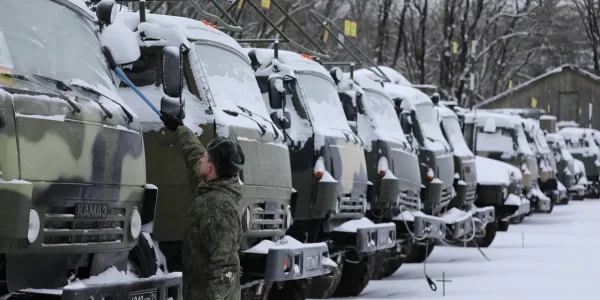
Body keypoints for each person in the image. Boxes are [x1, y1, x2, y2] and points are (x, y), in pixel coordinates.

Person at [160, 111, 245, 300]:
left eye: (206, 158)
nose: (201, 159)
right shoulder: (211, 185)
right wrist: (180, 128)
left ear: (212, 167)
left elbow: (226, 268)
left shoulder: (218, 207)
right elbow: (194, 154)